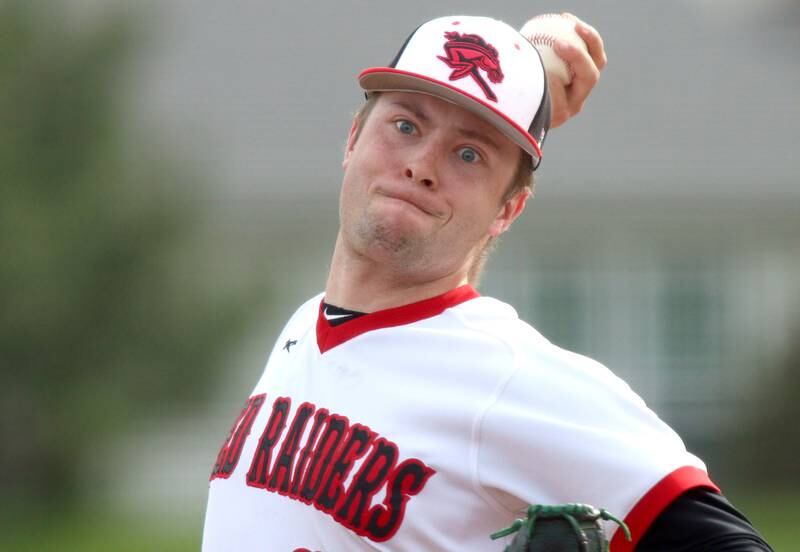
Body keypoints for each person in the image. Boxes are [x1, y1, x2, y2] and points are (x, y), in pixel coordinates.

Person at [202, 13, 772, 551]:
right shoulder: (309, 325)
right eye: (405, 125)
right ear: (352, 139)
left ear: (509, 210)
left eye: (468, 154)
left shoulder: (511, 378)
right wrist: (525, 73)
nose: (421, 164)